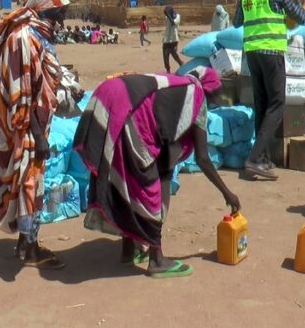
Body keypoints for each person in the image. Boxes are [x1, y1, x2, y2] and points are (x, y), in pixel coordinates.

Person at [73, 66, 241, 278]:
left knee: (128, 179)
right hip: (127, 110)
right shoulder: (195, 97)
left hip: (110, 96)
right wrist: (227, 193)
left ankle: (129, 248)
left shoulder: (176, 87)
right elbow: (203, 159)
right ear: (211, 91)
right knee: (147, 187)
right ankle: (157, 259)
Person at [0, 0, 71, 269]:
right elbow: (21, 92)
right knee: (28, 183)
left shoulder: (38, 36)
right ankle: (29, 249)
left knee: (31, 183)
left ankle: (27, 243)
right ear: (41, 9)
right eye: (57, 13)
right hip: (25, 127)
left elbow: (41, 80)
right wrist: (37, 135)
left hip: (35, 124)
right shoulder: (23, 39)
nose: (61, 20)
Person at [233, 0, 305, 179]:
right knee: (277, 103)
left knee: (262, 104)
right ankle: (255, 157)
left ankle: (263, 158)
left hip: (252, 54)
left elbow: (237, 22)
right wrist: (304, 13)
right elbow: (298, 15)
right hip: (271, 52)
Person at [162, 6, 184, 73]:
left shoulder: (178, 16)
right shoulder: (166, 17)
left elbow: (173, 23)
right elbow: (168, 20)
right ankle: (168, 70)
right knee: (165, 56)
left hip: (174, 39)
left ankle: (182, 65)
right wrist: (167, 15)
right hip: (166, 39)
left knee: (174, 54)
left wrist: (168, 15)